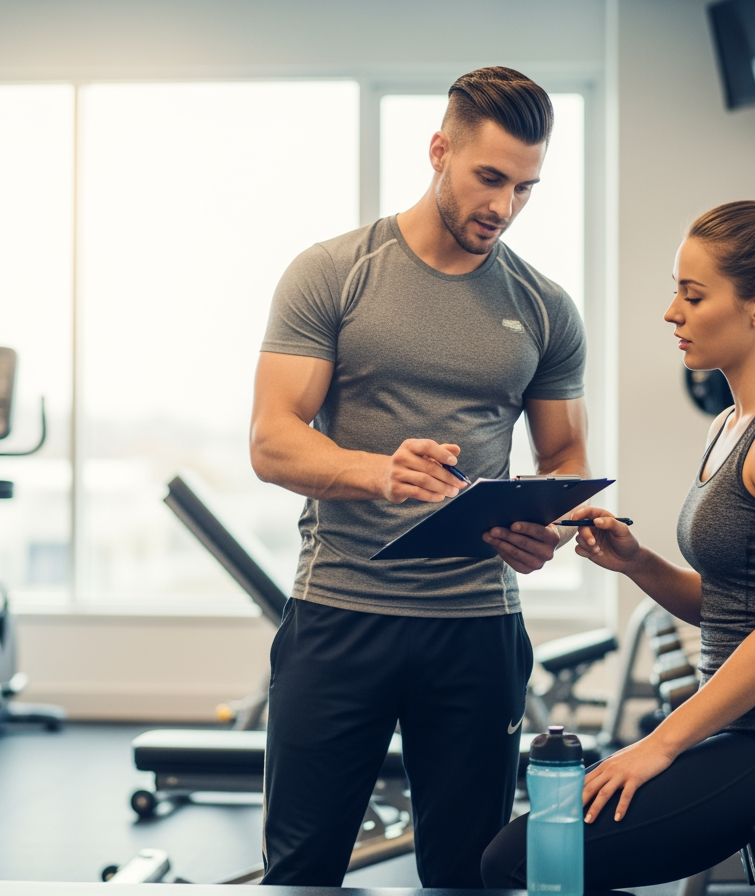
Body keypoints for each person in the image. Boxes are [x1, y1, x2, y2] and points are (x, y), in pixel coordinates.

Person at [249, 67, 589, 887]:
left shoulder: (544, 307)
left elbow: (566, 459)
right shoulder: (333, 273)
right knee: (301, 875)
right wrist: (378, 472)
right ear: (440, 151)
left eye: (526, 188)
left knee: (468, 877)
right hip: (339, 615)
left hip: (475, 627)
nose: (504, 207)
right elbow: (271, 442)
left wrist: (547, 526)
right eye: (490, 178)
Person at [481, 200, 755, 889]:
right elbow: (730, 610)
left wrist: (657, 747)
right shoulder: (732, 422)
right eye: (676, 292)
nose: (672, 313)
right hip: (746, 731)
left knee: (525, 857)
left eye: (693, 295)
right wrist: (638, 563)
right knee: (534, 853)